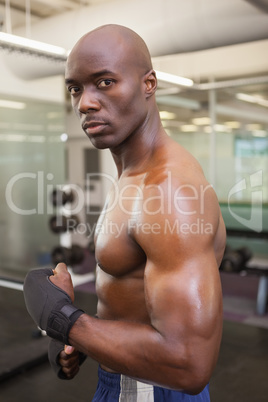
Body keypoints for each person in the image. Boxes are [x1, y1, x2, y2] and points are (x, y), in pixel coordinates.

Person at [24, 24, 226, 401]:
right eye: (75, 88)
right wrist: (85, 339)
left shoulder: (166, 189)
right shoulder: (134, 176)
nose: (84, 103)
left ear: (148, 84)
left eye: (104, 82)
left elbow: (188, 363)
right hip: (129, 377)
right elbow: (138, 308)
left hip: (152, 390)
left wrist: (62, 318)